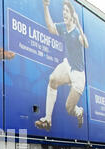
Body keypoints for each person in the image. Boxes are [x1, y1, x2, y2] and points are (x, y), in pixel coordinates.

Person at [35, 0, 88, 131]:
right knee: (52, 79)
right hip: (68, 65)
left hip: (78, 75)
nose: (64, 13)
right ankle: (47, 119)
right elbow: (51, 27)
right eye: (63, 10)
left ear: (72, 15)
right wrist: (45, 6)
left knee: (69, 109)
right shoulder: (63, 27)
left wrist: (79, 25)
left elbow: (86, 43)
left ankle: (78, 111)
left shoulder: (77, 32)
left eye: (67, 11)